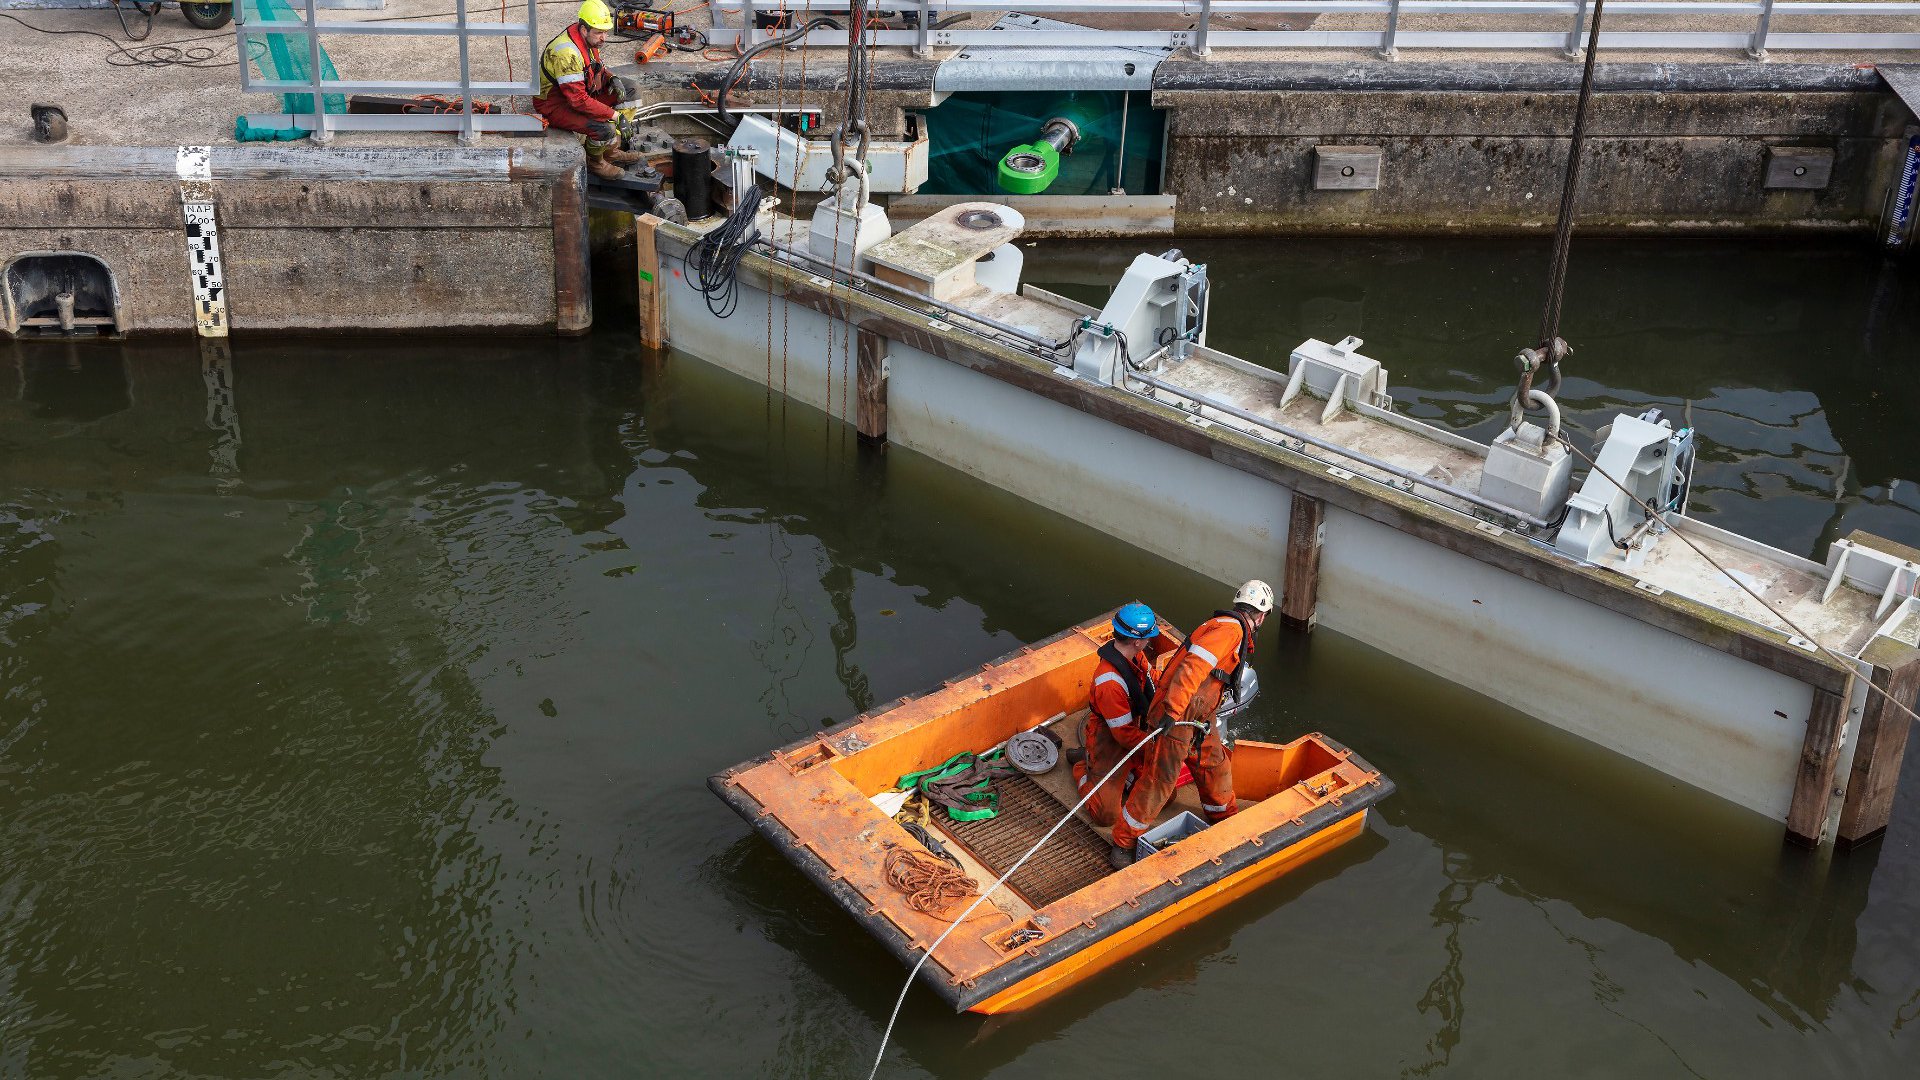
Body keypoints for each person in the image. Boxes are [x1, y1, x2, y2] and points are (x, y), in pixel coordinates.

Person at [1108, 579, 1273, 868]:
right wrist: (1172, 712)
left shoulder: (1228, 628)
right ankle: (1123, 842)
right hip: (1180, 713)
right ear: (1261, 616)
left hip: (1198, 714)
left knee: (1214, 763)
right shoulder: (1230, 631)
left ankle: (1224, 818)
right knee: (1161, 780)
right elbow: (1191, 668)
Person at [1073, 602, 1175, 829]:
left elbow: (1152, 678)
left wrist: (1176, 685)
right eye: (1149, 637)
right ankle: (1083, 767)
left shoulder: (1135, 657)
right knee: (1105, 816)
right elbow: (1123, 736)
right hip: (1108, 741)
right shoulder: (1109, 683)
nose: (1151, 641)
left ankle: (1125, 774)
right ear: (1137, 640)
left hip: (1133, 731)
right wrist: (1159, 745)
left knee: (1166, 797)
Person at [537, 0, 642, 181]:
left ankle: (610, 151)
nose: (604, 37)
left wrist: (611, 78)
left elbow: (594, 67)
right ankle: (596, 162)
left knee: (632, 89)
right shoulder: (566, 53)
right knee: (603, 129)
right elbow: (578, 100)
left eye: (605, 32)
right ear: (584, 29)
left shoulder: (588, 40)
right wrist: (616, 116)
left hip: (581, 93)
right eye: (599, 32)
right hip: (556, 105)